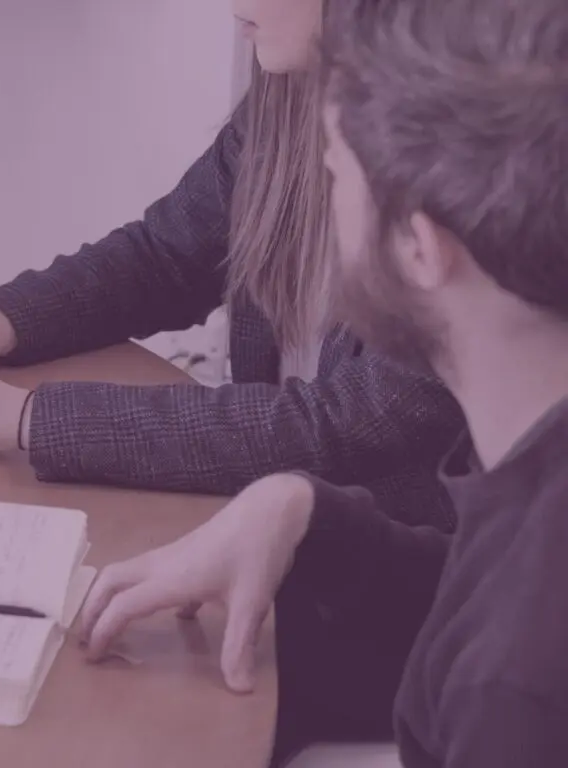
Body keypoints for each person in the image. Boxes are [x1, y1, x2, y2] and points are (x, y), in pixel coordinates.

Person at [79, 0, 568, 765]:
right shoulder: (531, 493)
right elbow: (474, 594)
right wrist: (305, 514)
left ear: (419, 245)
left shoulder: (512, 694)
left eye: (334, 174)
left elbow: (495, 644)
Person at [0, 0, 464, 529]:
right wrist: (0, 324)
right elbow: (166, 257)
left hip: (399, 586)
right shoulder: (289, 104)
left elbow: (338, 427)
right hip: (270, 529)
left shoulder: (463, 169)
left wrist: (24, 418)